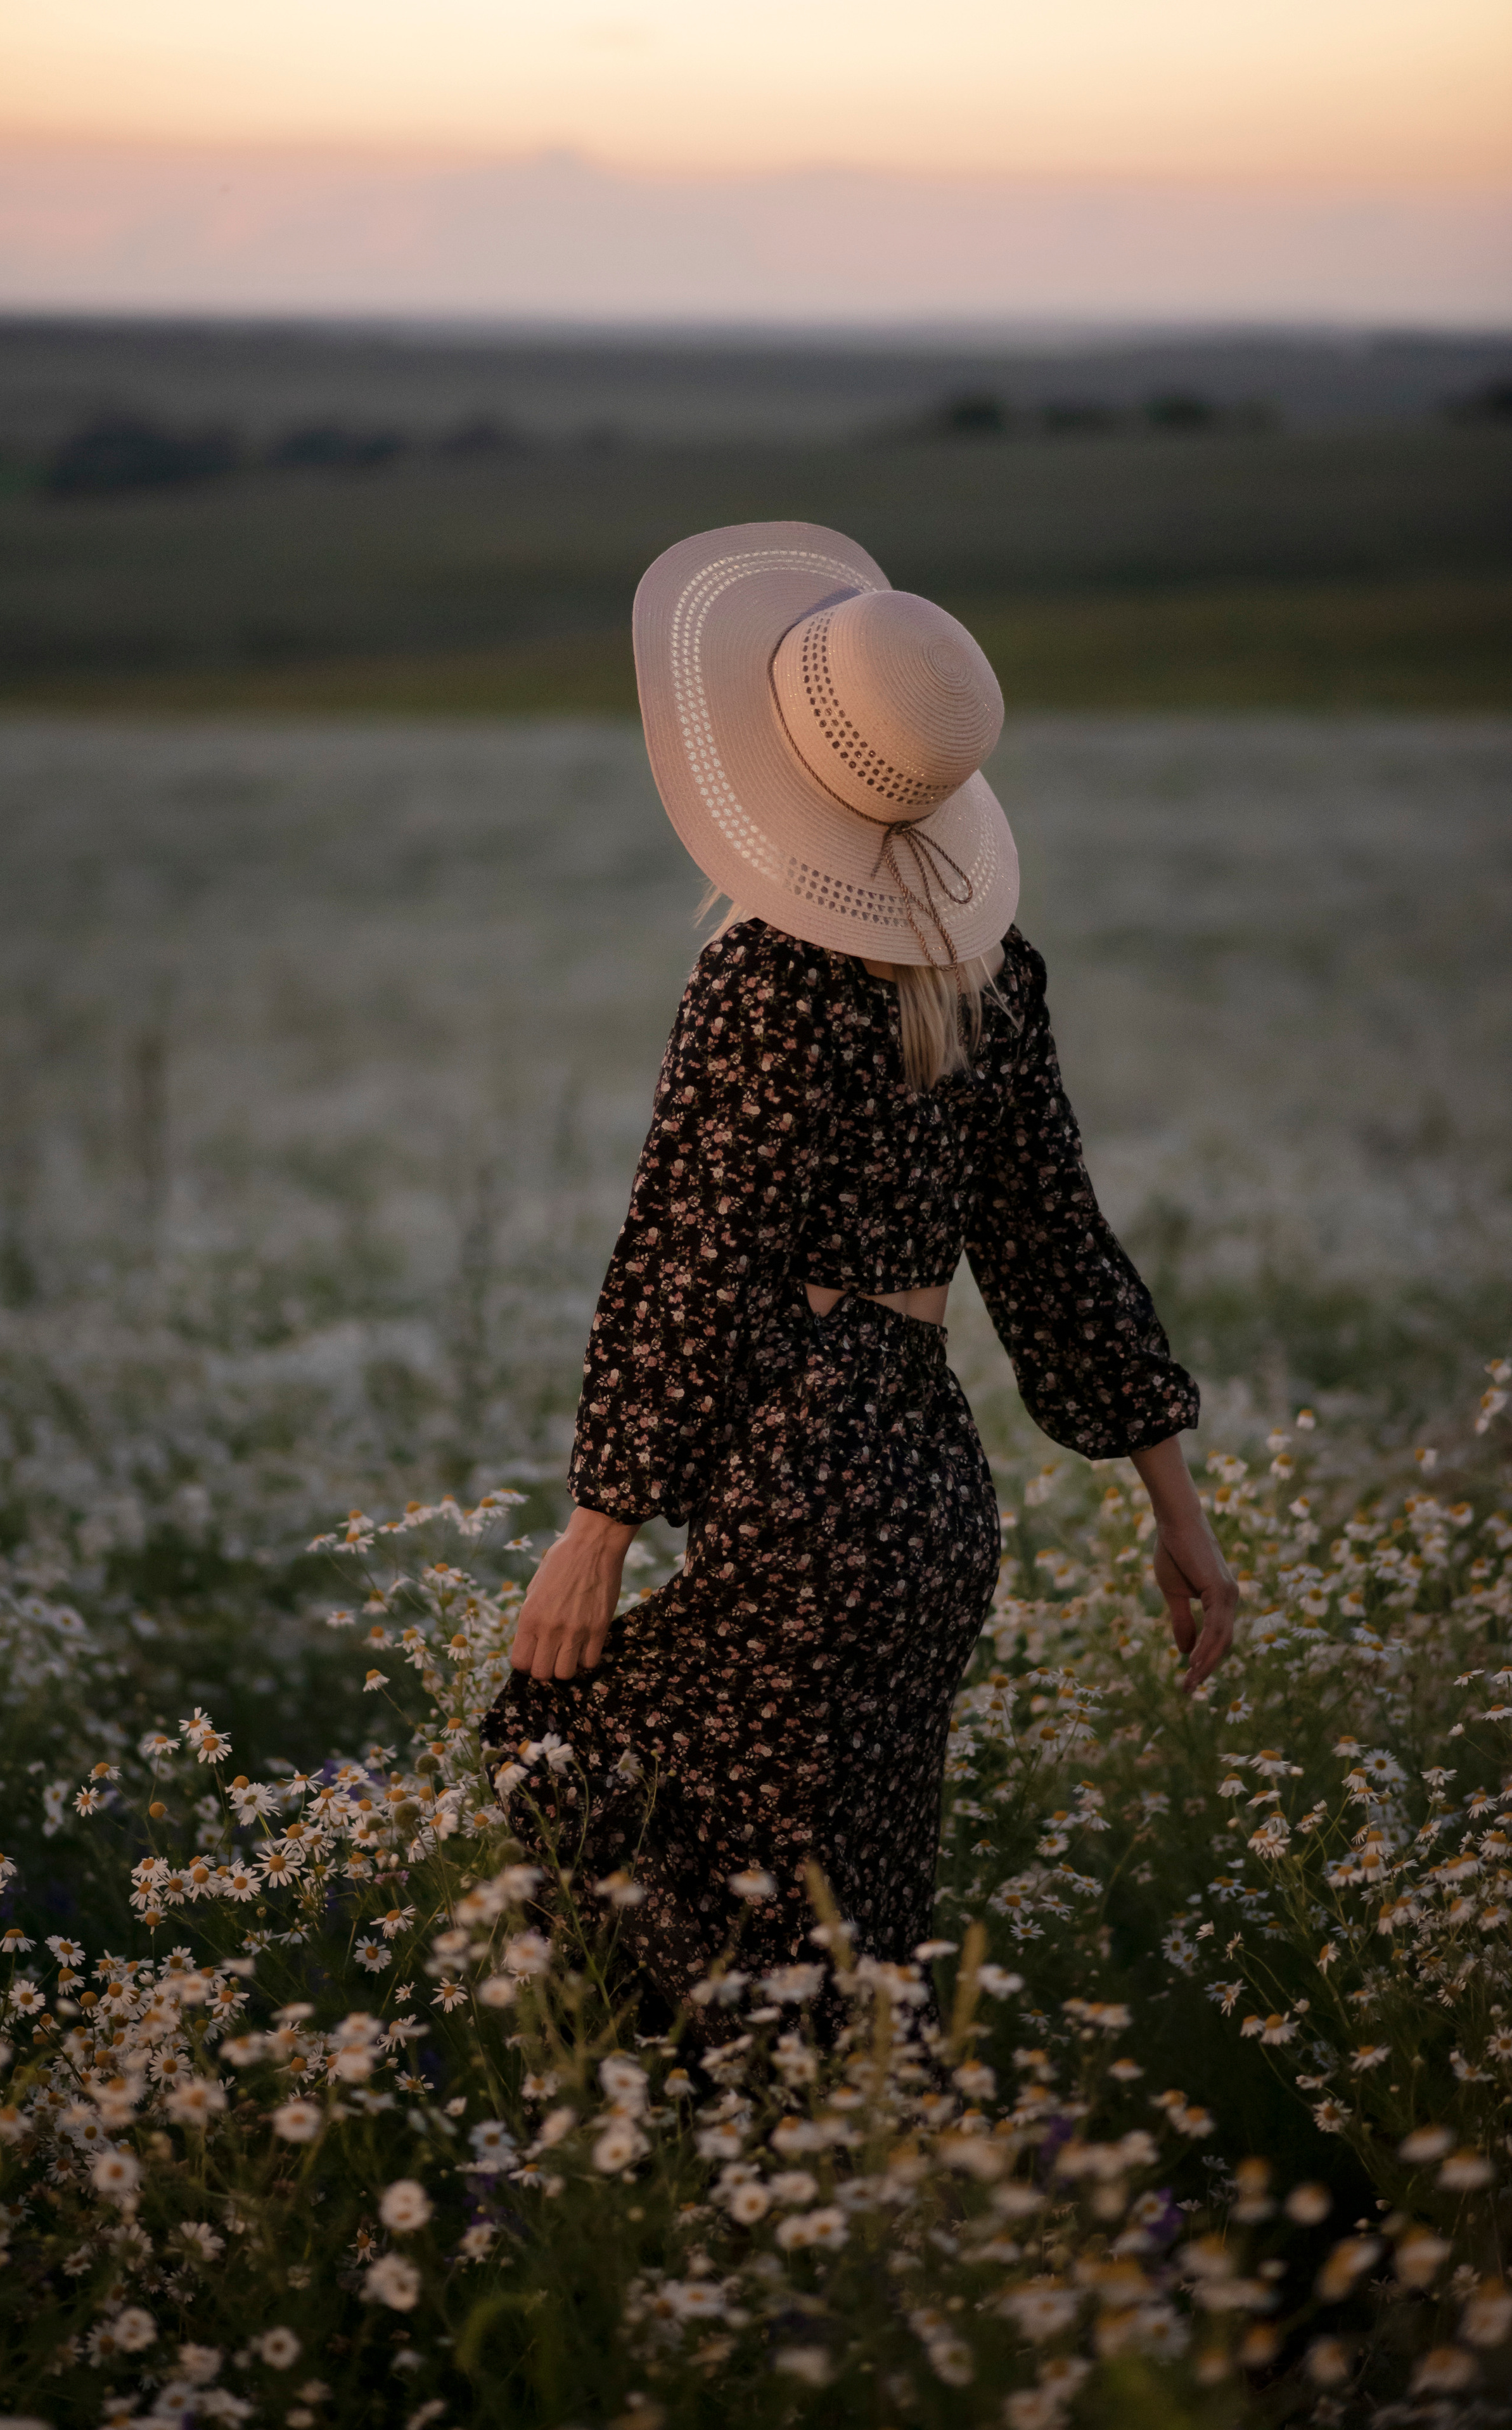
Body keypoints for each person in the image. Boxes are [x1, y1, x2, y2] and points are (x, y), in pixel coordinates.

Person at [489, 520, 1234, 2031]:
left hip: (805, 1473)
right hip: (927, 1494)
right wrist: (1183, 1522)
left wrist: (598, 1530)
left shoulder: (757, 976)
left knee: (562, 1767)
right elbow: (1055, 1253)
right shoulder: (992, 974)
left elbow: (690, 1259)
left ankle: (695, 2174)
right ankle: (838, 2189)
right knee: (852, 1904)